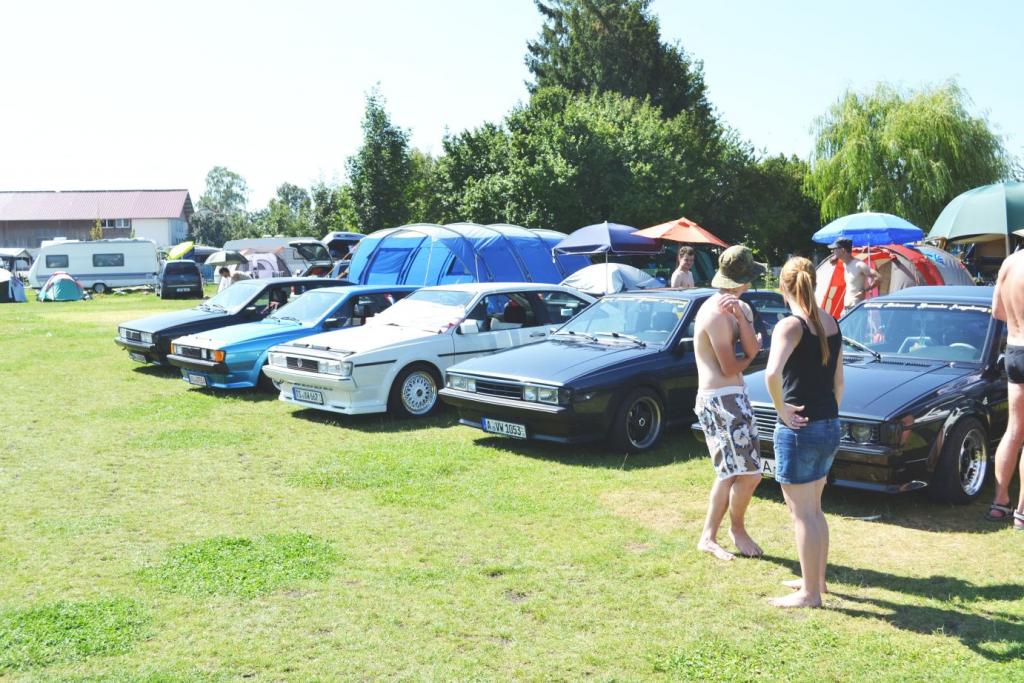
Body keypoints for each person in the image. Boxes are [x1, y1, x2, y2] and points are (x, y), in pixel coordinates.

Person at [764, 257, 843, 608]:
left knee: (803, 514)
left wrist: (781, 409)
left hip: (800, 429)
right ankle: (816, 581)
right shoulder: (831, 322)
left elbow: (771, 373)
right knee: (815, 509)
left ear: (783, 287)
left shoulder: (789, 326)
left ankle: (810, 593)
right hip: (829, 425)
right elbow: (839, 383)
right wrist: (827, 414)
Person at [694, 245, 765, 561]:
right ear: (743, 279)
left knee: (748, 472)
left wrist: (740, 317)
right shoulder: (713, 313)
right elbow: (731, 366)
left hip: (736, 397)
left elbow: (751, 348)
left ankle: (725, 532)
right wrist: (750, 356)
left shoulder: (740, 308)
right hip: (718, 401)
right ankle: (719, 535)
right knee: (736, 472)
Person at [987, 250, 1024, 528]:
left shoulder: (1010, 262)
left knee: (1013, 429)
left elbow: (997, 311)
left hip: (1014, 350)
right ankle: (1022, 511)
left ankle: (999, 503)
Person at [830, 238, 877, 316]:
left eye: (834, 249)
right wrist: (836, 257)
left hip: (857, 309)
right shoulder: (845, 264)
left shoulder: (859, 265)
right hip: (846, 308)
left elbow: (878, 278)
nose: (832, 251)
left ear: (843, 250)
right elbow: (839, 258)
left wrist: (866, 290)